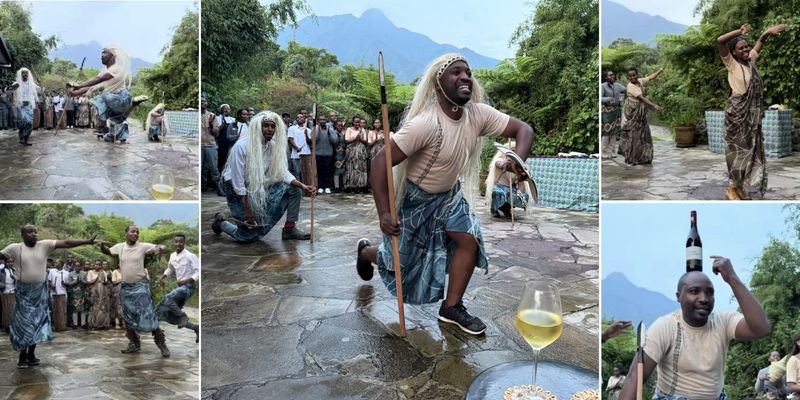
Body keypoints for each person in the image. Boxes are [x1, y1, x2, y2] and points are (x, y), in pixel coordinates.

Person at [356, 54, 534, 335]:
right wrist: (384, 214)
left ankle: (451, 307)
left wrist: (517, 160)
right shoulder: (425, 124)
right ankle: (367, 253)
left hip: (450, 197)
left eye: (468, 72)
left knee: (469, 239)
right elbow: (380, 162)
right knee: (401, 262)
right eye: (456, 72)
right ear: (439, 85)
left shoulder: (478, 114)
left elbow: (523, 129)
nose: (465, 77)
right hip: (417, 201)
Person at [619, 256, 771, 400]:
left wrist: (732, 278)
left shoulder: (723, 322)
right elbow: (635, 377)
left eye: (710, 293)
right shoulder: (665, 327)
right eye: (694, 291)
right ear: (679, 296)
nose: (704, 299)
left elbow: (761, 329)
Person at [0, 225, 96, 368]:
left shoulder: (44, 245)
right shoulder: (14, 248)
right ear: (22, 235)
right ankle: (22, 356)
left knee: (38, 323)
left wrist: (86, 241)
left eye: (35, 231)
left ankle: (31, 354)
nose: (34, 234)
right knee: (24, 324)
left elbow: (67, 243)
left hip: (40, 291)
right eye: (29, 232)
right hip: (23, 293)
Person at [211, 111, 315, 243]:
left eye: (273, 126)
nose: (270, 129)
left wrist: (303, 186)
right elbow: (238, 182)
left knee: (294, 189)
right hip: (236, 189)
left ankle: (289, 228)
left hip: (257, 185)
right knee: (247, 237)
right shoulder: (242, 146)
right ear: (258, 127)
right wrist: (248, 211)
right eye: (266, 125)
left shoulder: (272, 146)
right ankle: (221, 223)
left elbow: (282, 172)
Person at [716, 23, 786, 200]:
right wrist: (738, 32)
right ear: (733, 52)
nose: (746, 49)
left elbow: (760, 43)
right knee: (737, 152)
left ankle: (738, 187)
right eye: (741, 48)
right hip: (737, 116)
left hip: (752, 118)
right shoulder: (731, 64)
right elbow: (720, 41)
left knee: (751, 150)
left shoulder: (750, 62)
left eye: (746, 46)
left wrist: (767, 33)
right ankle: (731, 188)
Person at [99, 226, 170, 357]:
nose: (136, 234)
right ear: (125, 233)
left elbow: (162, 246)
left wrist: (159, 248)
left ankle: (162, 344)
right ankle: (134, 344)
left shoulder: (143, 246)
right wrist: (102, 245)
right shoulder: (120, 247)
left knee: (148, 315)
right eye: (133, 231)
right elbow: (108, 251)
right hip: (126, 287)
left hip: (141, 287)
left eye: (137, 232)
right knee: (128, 318)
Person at [67, 45, 148, 144]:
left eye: (105, 53)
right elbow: (90, 87)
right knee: (118, 119)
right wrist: (74, 93)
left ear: (112, 56)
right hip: (114, 101)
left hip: (119, 98)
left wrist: (79, 86)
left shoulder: (115, 69)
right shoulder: (107, 71)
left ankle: (130, 105)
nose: (102, 55)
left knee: (101, 98)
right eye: (101, 53)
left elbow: (98, 79)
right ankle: (133, 104)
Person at [156, 234, 199, 342]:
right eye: (176, 242)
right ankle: (195, 328)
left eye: (181, 242)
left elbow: (198, 272)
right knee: (168, 315)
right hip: (180, 289)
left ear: (184, 242)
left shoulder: (191, 256)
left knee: (168, 298)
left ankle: (183, 316)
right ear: (173, 243)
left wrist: (186, 280)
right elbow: (170, 269)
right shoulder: (172, 256)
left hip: (188, 287)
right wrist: (163, 277)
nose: (178, 244)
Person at [621, 67, 663, 165]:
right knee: (634, 135)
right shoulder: (630, 86)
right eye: (630, 76)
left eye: (634, 75)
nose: (632, 77)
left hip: (640, 113)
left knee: (643, 134)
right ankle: (632, 158)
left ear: (637, 75)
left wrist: (659, 71)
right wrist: (654, 105)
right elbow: (642, 98)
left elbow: (650, 77)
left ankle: (643, 157)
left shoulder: (639, 81)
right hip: (633, 111)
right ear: (628, 77)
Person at [485, 143, 530, 218]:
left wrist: (520, 194)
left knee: (519, 195)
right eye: (512, 151)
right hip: (499, 187)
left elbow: (521, 184)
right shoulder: (500, 160)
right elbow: (499, 163)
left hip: (512, 188)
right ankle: (495, 208)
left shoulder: (518, 166)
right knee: (500, 192)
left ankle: (507, 208)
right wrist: (505, 165)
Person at [7, 68, 39, 145]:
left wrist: (41, 86)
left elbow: (38, 92)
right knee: (24, 122)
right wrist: (11, 92)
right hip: (20, 105)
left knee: (30, 124)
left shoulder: (31, 84)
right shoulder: (16, 84)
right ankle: (21, 136)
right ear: (20, 74)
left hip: (29, 105)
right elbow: (9, 94)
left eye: (26, 73)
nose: (25, 74)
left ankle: (26, 139)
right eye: (23, 73)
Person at [601, 71, 626, 158]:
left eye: (613, 75)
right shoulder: (602, 86)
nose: (612, 76)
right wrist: (608, 99)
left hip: (616, 110)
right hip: (607, 111)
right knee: (606, 131)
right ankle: (603, 152)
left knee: (614, 131)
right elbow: (600, 98)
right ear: (606, 77)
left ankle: (612, 151)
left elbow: (627, 90)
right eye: (610, 75)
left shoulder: (618, 86)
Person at [314, 113, 338, 194]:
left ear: (326, 120)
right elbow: (313, 140)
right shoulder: (316, 128)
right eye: (320, 120)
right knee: (320, 171)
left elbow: (335, 141)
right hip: (318, 153)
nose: (322, 121)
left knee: (328, 171)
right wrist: (318, 130)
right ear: (318, 121)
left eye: (324, 120)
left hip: (328, 154)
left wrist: (329, 133)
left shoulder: (330, 129)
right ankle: (320, 186)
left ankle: (327, 186)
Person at [344, 116, 369, 192]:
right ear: (353, 122)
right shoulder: (349, 129)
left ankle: (360, 186)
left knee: (360, 169)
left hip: (360, 152)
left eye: (358, 122)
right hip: (351, 152)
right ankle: (351, 186)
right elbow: (346, 140)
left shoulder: (362, 130)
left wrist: (360, 139)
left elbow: (365, 141)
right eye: (356, 122)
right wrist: (355, 138)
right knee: (352, 168)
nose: (357, 123)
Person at [85, 261, 110, 329]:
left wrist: (103, 281)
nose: (97, 266)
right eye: (96, 264)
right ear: (94, 265)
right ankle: (94, 325)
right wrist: (96, 279)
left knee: (102, 308)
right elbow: (88, 282)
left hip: (102, 293)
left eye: (99, 264)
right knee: (94, 308)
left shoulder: (103, 272)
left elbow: (106, 282)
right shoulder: (90, 272)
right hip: (94, 293)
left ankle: (102, 324)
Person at [0, 258, 15, 332]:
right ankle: (6, 326)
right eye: (8, 262)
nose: (10, 263)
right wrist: (2, 285)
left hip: (13, 293)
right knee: (6, 310)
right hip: (4, 292)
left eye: (12, 262)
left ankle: (12, 325)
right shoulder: (1, 271)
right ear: (5, 262)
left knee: (13, 310)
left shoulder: (14, 271)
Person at [333, 120, 347, 192]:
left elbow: (345, 144)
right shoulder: (333, 133)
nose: (340, 127)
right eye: (338, 125)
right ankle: (336, 187)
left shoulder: (343, 134)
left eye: (341, 125)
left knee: (343, 170)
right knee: (336, 171)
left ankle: (344, 186)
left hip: (343, 154)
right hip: (335, 154)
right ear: (335, 125)